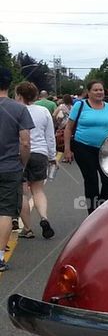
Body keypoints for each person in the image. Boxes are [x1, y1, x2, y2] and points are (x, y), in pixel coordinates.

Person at [62, 79, 108, 214]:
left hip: (106, 149)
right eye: (95, 90)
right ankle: (92, 213)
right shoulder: (80, 105)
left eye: (101, 90)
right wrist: (67, 149)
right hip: (83, 147)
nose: (99, 92)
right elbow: (68, 128)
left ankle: (103, 210)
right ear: (88, 92)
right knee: (91, 180)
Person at [0, 68, 34, 271]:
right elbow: (25, 142)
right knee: (4, 212)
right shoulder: (19, 109)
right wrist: (23, 163)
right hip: (9, 166)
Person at [14, 82, 56, 239]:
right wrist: (52, 157)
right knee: (38, 190)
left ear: (19, 95)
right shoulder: (43, 111)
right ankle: (44, 218)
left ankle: (28, 228)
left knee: (23, 192)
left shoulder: (16, 110)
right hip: (40, 152)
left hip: (20, 153)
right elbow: (50, 136)